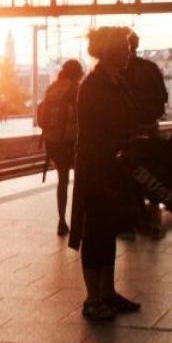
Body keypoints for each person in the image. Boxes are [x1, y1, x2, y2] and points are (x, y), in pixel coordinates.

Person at [68, 26, 142, 322]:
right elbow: (95, 133)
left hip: (114, 165)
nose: (129, 51)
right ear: (110, 50)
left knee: (108, 230)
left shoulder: (115, 81)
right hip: (97, 167)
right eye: (124, 47)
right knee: (94, 232)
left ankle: (108, 292)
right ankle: (92, 298)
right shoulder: (94, 85)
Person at [123, 32, 169, 239]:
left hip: (129, 134)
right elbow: (164, 97)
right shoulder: (150, 68)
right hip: (151, 130)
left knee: (129, 177)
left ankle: (133, 223)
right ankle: (155, 223)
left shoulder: (119, 72)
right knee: (153, 178)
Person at [40, 59, 84, 236]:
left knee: (62, 181)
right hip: (71, 141)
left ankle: (61, 221)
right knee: (81, 181)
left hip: (53, 141)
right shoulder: (75, 89)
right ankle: (79, 222)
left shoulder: (52, 89)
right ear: (76, 73)